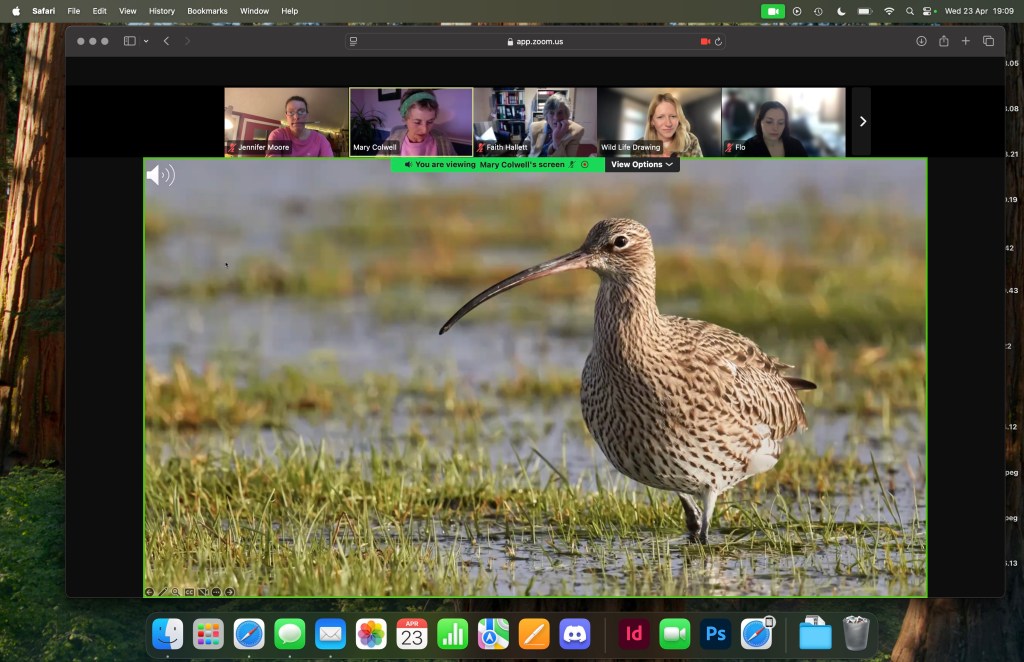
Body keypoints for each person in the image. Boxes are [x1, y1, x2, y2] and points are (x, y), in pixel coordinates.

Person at [385, 89, 457, 156]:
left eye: (430, 122)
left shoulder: (442, 140)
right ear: (405, 118)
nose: (424, 130)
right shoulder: (391, 141)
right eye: (417, 122)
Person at [266, 96, 334, 157]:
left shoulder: (321, 140)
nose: (296, 117)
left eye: (301, 112)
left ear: (307, 115)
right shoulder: (277, 135)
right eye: (291, 112)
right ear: (286, 116)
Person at [740, 101, 809, 157]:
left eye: (781, 123)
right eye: (769, 122)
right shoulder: (748, 147)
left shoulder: (796, 145)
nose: (775, 128)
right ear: (760, 122)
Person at [644, 93, 703, 158]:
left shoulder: (691, 140)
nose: (668, 124)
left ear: (679, 118)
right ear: (652, 121)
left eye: (673, 116)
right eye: (660, 117)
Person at [526, 93, 584, 157]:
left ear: (566, 115)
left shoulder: (576, 131)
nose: (556, 118)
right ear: (546, 116)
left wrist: (556, 142)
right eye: (551, 113)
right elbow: (524, 147)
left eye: (560, 113)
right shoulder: (534, 126)